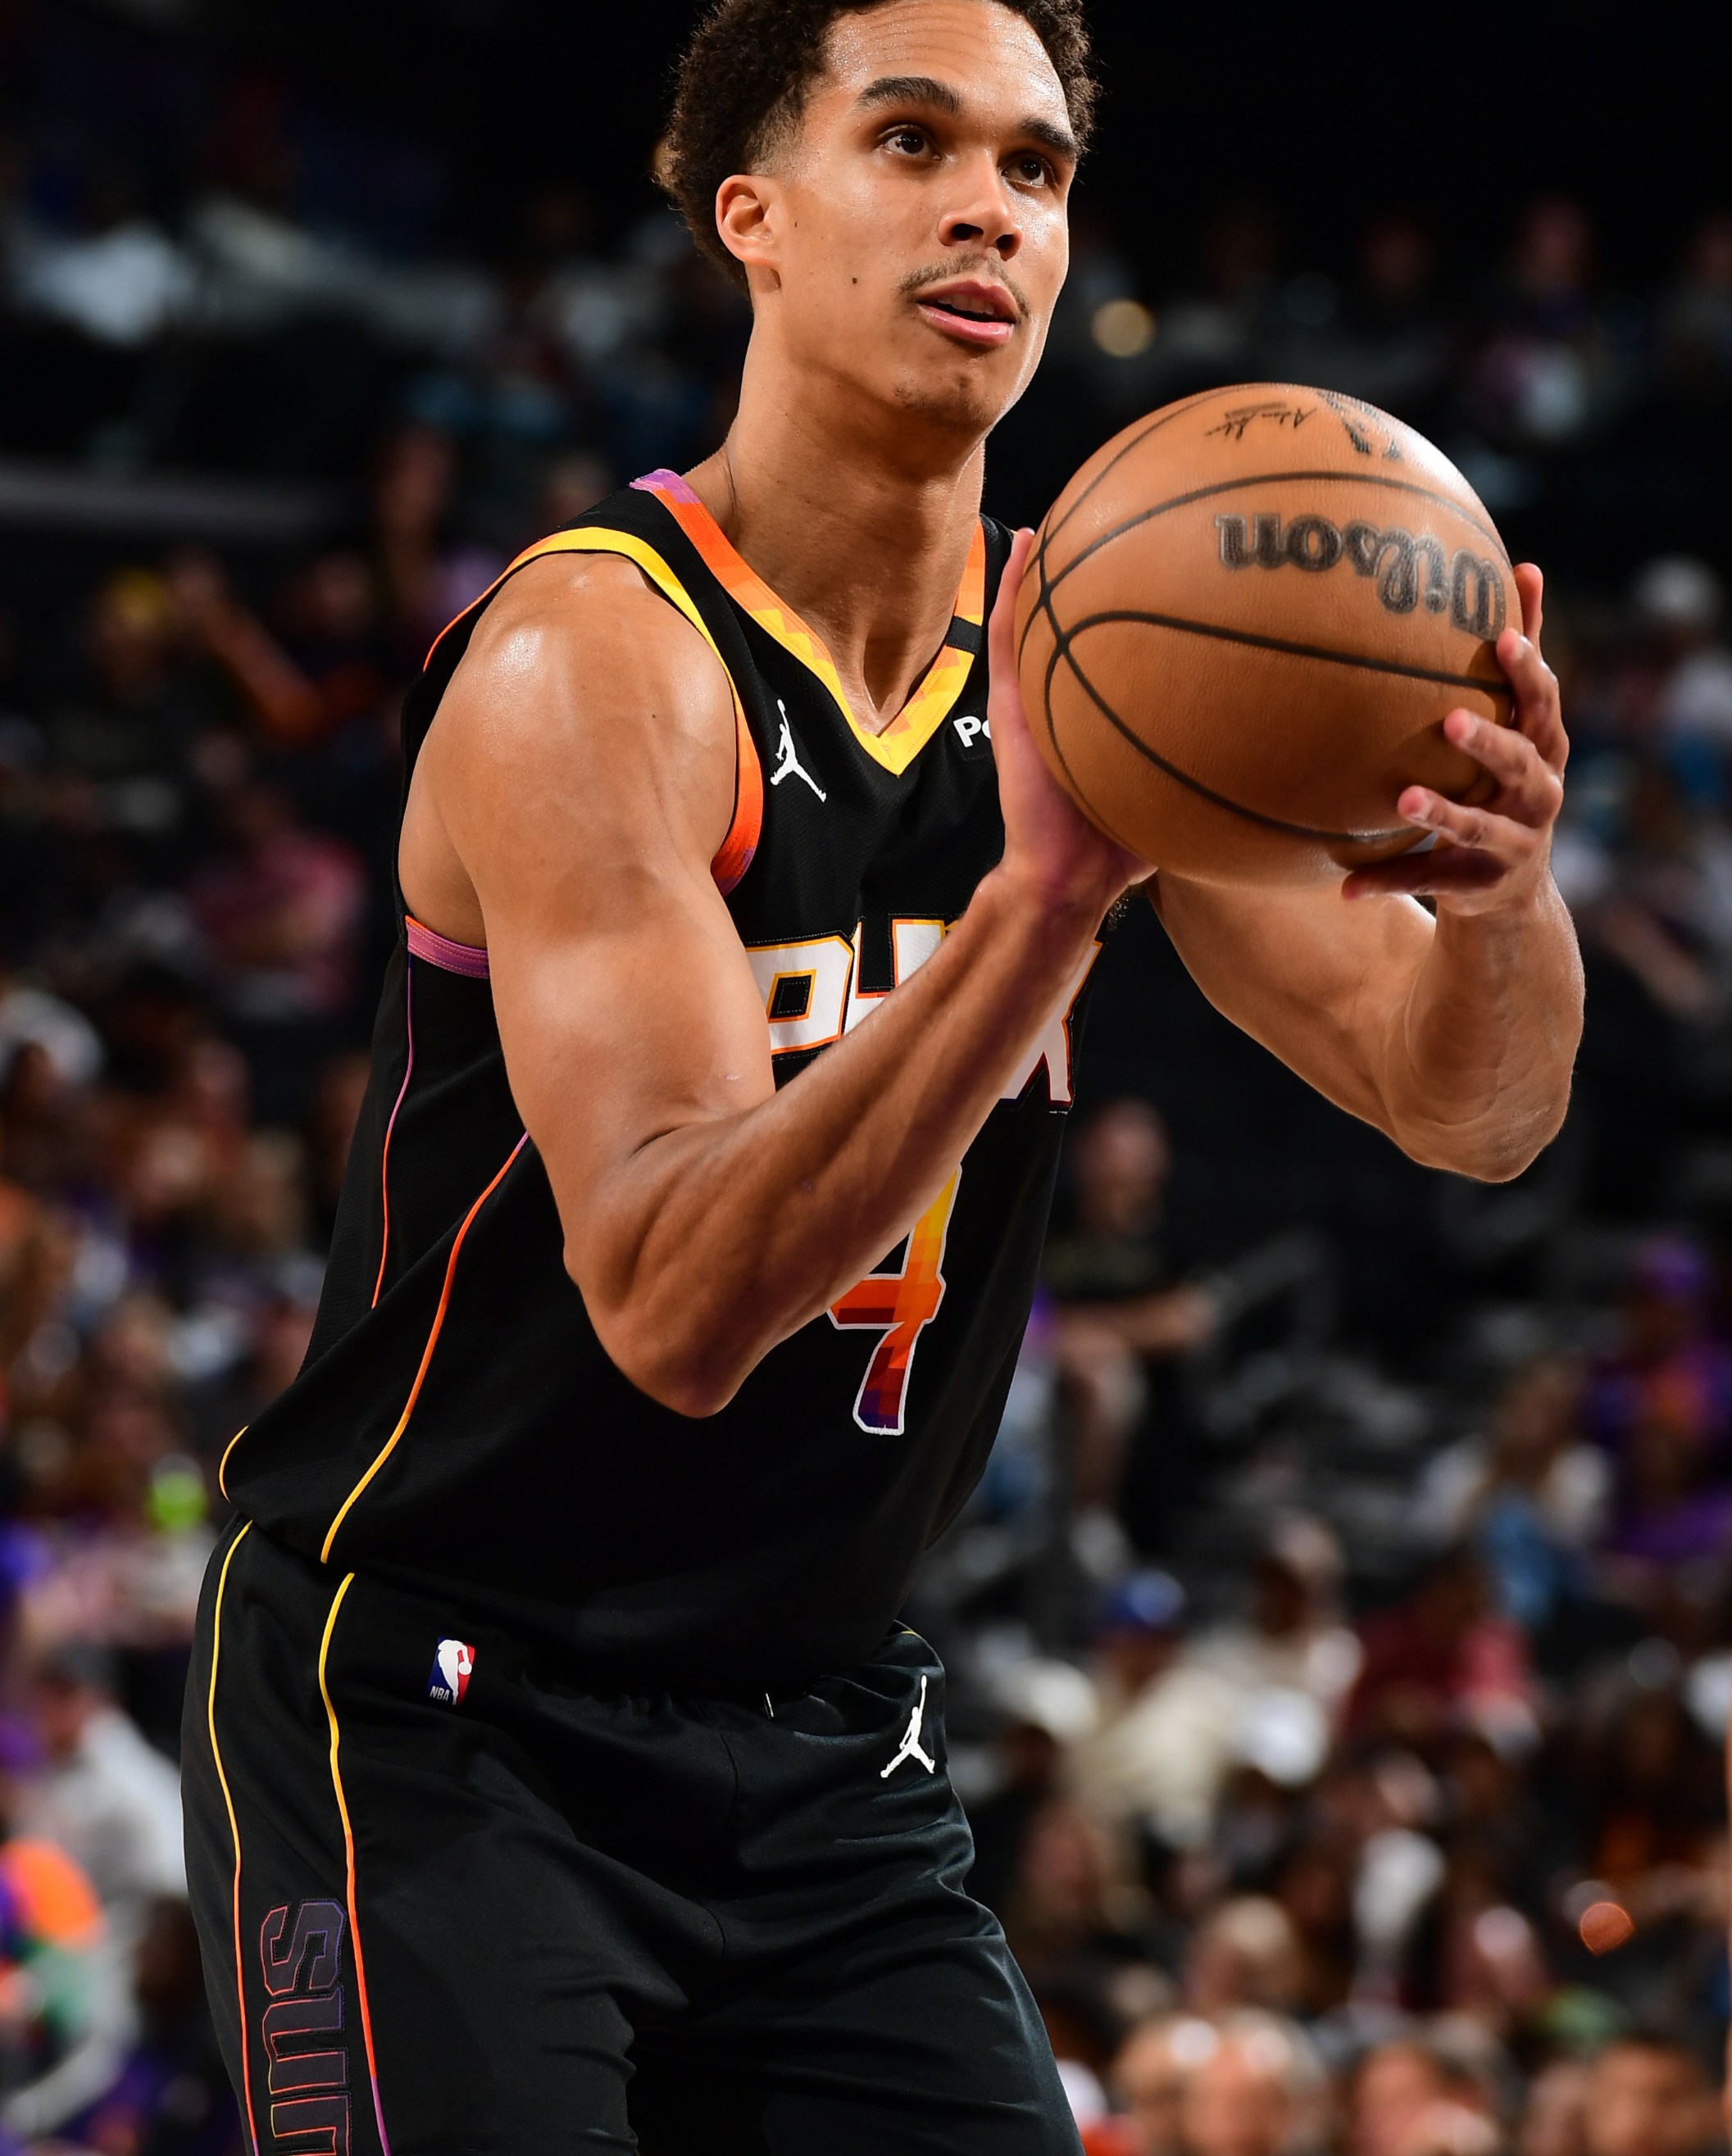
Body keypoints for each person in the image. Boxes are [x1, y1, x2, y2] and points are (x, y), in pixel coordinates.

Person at [182, 0, 1583, 2149]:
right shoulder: (597, 661)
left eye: (1031, 166)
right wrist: (1037, 909)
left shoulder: (1104, 664)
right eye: (911, 138)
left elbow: (1472, 1111)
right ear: (748, 212)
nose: (988, 209)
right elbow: (666, 1302)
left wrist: (1496, 900)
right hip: (442, 1708)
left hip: (823, 1731)